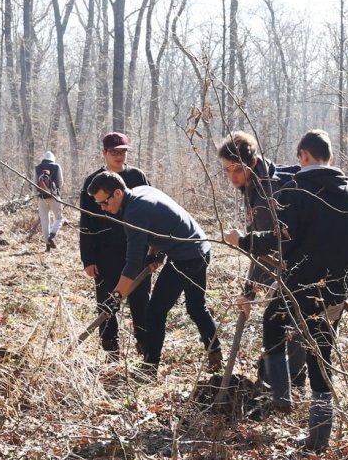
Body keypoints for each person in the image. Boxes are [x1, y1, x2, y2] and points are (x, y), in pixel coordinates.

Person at [224, 129, 348, 452]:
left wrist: (242, 240)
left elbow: (278, 241)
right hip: (334, 291)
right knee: (321, 355)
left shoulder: (295, 190)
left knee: (272, 325)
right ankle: (319, 437)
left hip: (298, 288)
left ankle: (282, 393)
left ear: (303, 155)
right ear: (329, 157)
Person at [87, 171, 222, 376]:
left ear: (116, 193)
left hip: (186, 257)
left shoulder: (134, 213)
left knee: (155, 311)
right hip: (201, 248)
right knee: (196, 308)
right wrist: (154, 254)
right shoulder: (141, 192)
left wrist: (115, 297)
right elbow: (161, 225)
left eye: (104, 203)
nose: (103, 209)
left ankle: (150, 367)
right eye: (99, 205)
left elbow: (132, 265)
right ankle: (215, 355)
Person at [216, 131, 306, 387]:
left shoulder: (267, 193)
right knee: (290, 318)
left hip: (299, 263)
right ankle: (287, 381)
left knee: (287, 318)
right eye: (227, 171)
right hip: (294, 260)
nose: (232, 177)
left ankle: (285, 386)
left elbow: (266, 252)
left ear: (252, 162)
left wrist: (249, 292)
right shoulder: (256, 182)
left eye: (237, 170)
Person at [79, 132, 152, 360]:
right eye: (114, 152)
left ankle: (145, 347)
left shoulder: (138, 177)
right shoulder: (93, 182)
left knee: (141, 302)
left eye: (123, 152)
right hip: (105, 253)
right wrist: (88, 259)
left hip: (138, 250)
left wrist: (153, 250)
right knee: (108, 302)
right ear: (104, 153)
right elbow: (86, 222)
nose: (119, 156)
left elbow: (152, 211)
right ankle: (111, 350)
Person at [34, 151, 64, 251]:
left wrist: (37, 196)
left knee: (45, 221)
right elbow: (60, 182)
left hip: (41, 197)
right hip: (54, 196)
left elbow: (35, 184)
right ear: (53, 158)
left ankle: (47, 246)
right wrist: (57, 191)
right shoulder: (56, 166)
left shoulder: (37, 168)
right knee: (59, 218)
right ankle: (52, 235)